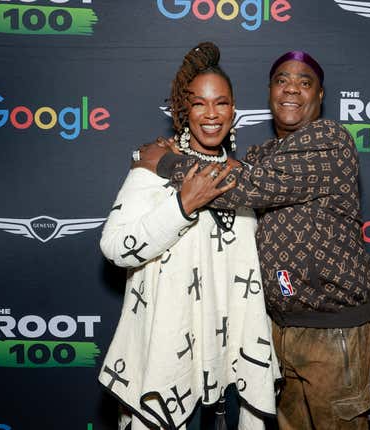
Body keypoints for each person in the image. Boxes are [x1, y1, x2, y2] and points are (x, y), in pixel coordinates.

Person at [143, 50, 370, 430]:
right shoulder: (263, 153)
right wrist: (183, 150)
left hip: (333, 329)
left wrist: (164, 161)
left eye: (305, 82)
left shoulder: (329, 139)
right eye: (283, 80)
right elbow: (237, 170)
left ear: (320, 96)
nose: (292, 90)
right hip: (276, 326)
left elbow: (247, 186)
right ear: (270, 92)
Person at [98, 42, 280, 430]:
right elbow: (114, 248)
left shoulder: (246, 178)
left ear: (234, 110)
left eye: (222, 103)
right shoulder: (152, 167)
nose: (211, 114)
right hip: (168, 356)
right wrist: (180, 207)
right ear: (184, 112)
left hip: (230, 361)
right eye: (199, 104)